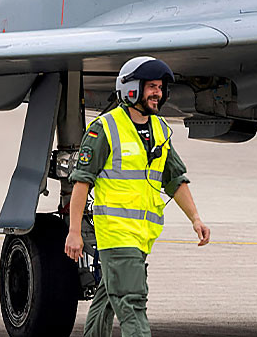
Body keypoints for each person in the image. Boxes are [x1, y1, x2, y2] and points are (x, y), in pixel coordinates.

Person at [65, 56, 211, 337]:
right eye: (151, 86)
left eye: (160, 87)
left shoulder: (159, 130)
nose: (158, 92)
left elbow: (175, 180)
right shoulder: (104, 129)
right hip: (117, 234)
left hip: (142, 235)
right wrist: (74, 232)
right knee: (132, 303)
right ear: (131, 88)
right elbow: (82, 182)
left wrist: (196, 219)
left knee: (108, 298)